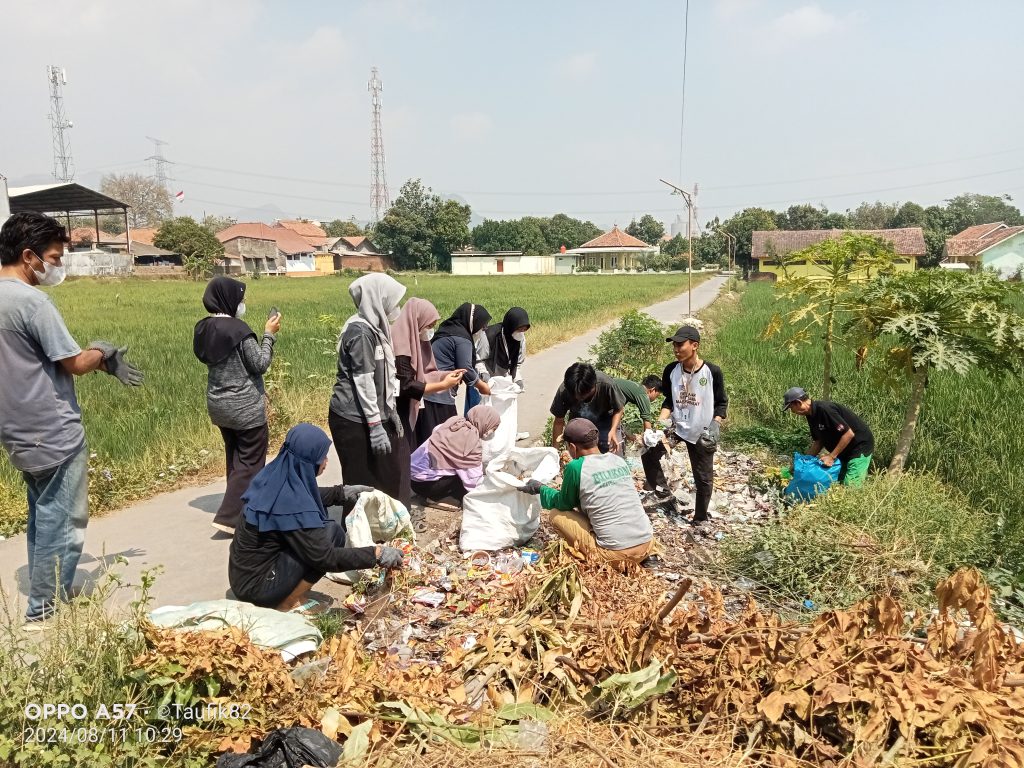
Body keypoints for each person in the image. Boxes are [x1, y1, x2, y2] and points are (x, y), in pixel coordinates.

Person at [0, 212, 143, 626]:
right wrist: (102, 352)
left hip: (16, 429)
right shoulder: (31, 302)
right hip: (50, 426)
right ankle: (44, 607)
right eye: (54, 257)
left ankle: (53, 586)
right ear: (29, 257)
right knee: (62, 518)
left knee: (42, 511)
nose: (57, 266)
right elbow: (74, 364)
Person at [229, 424, 404, 612]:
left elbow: (305, 494)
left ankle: (288, 593)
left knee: (330, 532)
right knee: (329, 536)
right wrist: (376, 554)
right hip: (257, 587)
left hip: (243, 577)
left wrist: (341, 493)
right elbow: (325, 557)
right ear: (309, 462)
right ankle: (288, 602)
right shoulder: (291, 504)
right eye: (322, 457)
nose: (326, 462)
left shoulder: (275, 475)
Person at [193, 276, 281, 534]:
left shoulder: (203, 328)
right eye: (240, 298)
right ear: (230, 300)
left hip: (218, 404)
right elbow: (260, 364)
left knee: (235, 458)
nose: (242, 303)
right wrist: (269, 335)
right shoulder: (239, 330)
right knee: (251, 461)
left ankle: (246, 510)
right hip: (244, 406)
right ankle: (229, 518)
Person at [520, 418, 654, 565]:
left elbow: (563, 504)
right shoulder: (618, 460)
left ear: (572, 447)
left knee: (556, 515)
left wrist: (540, 488)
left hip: (617, 556)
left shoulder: (576, 467)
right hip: (647, 545)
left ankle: (591, 559)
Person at [329, 273, 412, 506]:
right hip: (353, 418)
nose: (396, 308)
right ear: (377, 299)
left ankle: (383, 528)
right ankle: (357, 536)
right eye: (393, 301)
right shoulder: (361, 332)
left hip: (371, 413)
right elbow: (363, 381)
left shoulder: (376, 330)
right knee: (361, 481)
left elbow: (383, 378)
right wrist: (376, 426)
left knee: (387, 475)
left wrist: (390, 409)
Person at [644, 326, 728, 525]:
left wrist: (715, 424)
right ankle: (663, 493)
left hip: (702, 432)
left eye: (680, 344)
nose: (676, 349)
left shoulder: (712, 372)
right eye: (674, 345)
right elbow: (669, 402)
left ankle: (700, 518)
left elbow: (721, 403)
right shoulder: (671, 370)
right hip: (677, 428)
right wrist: (659, 425)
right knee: (649, 450)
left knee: (703, 478)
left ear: (695, 345)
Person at [390, 297, 465, 450]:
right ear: (417, 321)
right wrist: (443, 385)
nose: (430, 331)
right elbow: (407, 385)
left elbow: (426, 373)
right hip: (400, 407)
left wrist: (445, 375)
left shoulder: (418, 341)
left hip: (413, 404)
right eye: (429, 326)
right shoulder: (400, 344)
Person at [418, 303, 492, 445]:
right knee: (444, 437)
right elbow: (466, 368)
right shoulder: (462, 338)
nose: (484, 329)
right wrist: (482, 385)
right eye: (482, 326)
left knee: (431, 434)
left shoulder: (448, 331)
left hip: (429, 389)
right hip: (440, 393)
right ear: (474, 322)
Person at [782, 387, 874, 487]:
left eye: (791, 408)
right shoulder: (811, 415)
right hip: (843, 449)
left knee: (851, 485)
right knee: (837, 482)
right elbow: (818, 441)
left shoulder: (825, 409)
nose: (792, 411)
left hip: (859, 446)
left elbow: (848, 434)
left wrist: (831, 456)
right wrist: (804, 462)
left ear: (798, 402)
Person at [410, 405, 501, 503]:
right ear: (485, 424)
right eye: (493, 429)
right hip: (427, 484)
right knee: (463, 486)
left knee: (460, 470)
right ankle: (435, 498)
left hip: (411, 477)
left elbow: (435, 430)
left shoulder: (454, 422)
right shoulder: (471, 443)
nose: (493, 433)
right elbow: (474, 482)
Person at [549, 363, 625, 454]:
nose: (579, 398)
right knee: (580, 460)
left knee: (612, 455)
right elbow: (558, 422)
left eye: (583, 394)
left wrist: (613, 430)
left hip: (606, 422)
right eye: (576, 395)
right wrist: (555, 451)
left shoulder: (606, 384)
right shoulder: (564, 390)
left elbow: (619, 408)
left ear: (594, 385)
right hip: (579, 427)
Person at [466, 307, 530, 413]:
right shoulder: (489, 335)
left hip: (501, 381)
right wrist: (483, 373)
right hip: (482, 379)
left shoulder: (521, 339)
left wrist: (517, 378)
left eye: (524, 330)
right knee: (478, 412)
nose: (521, 333)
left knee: (499, 413)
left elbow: (517, 363)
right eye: (519, 329)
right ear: (511, 325)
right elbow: (478, 358)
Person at [606, 375, 661, 453]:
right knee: (617, 446)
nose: (655, 399)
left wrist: (630, 437)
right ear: (652, 390)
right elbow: (647, 422)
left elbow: (617, 416)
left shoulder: (632, 388)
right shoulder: (642, 393)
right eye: (657, 396)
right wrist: (648, 443)